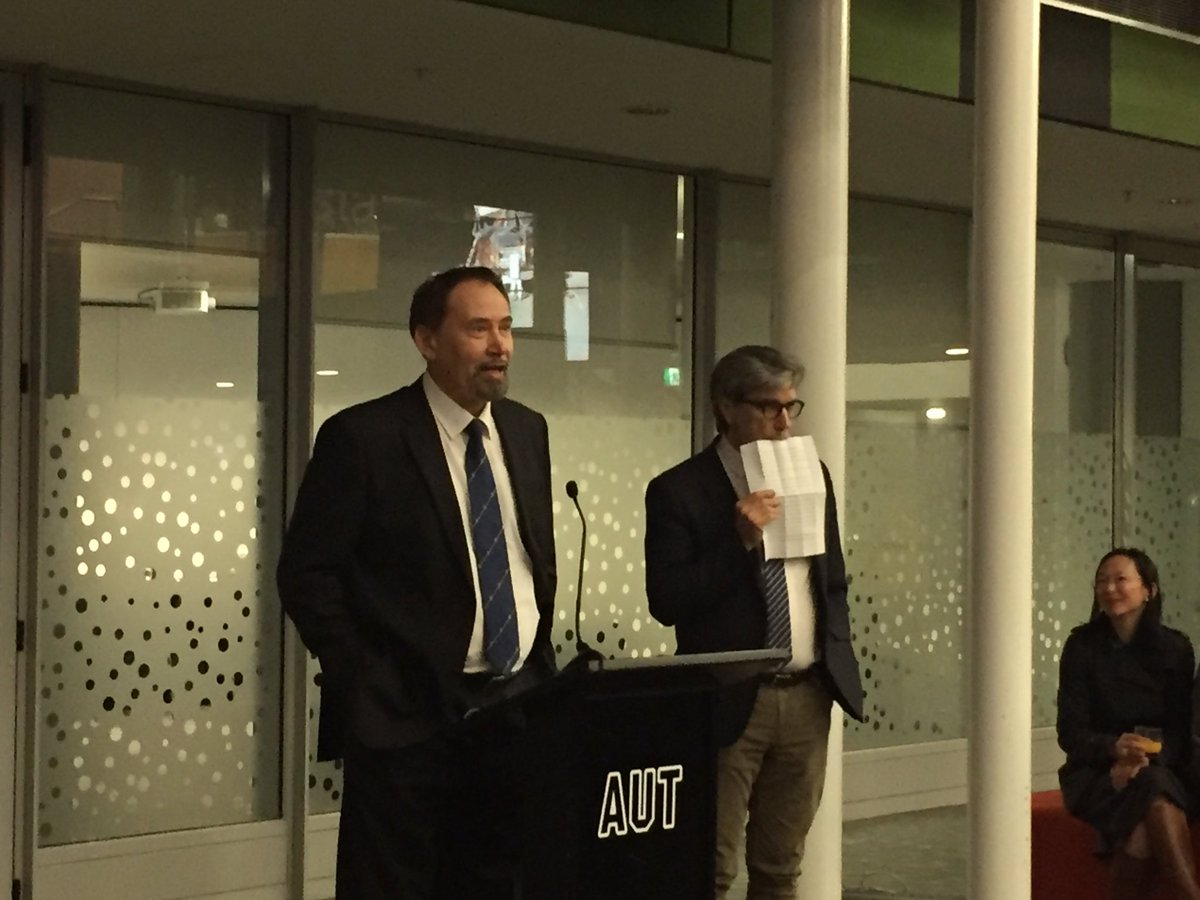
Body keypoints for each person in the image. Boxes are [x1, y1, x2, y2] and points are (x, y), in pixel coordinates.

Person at [276, 265, 557, 899]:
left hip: (514, 709)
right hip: (407, 717)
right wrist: (365, 676)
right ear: (426, 340)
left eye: (507, 327)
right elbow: (307, 573)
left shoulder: (527, 430)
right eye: (478, 328)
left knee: (501, 882)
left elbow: (527, 556)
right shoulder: (364, 437)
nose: (500, 345)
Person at [644, 344, 865, 899]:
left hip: (808, 692)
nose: (784, 422)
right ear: (727, 407)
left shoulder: (810, 473)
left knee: (781, 867)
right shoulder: (681, 490)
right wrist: (738, 541)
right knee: (710, 867)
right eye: (769, 407)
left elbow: (831, 579)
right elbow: (667, 600)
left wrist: (832, 656)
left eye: (792, 407)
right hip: (729, 696)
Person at [1056, 547, 1198, 899]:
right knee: (1154, 798)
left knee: (1144, 817)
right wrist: (1113, 751)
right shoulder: (1081, 647)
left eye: (1121, 579)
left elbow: (1183, 730)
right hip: (1095, 772)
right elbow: (1070, 731)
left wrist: (1148, 759)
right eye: (1102, 581)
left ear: (1149, 589)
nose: (1109, 588)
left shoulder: (1176, 648)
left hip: (1163, 766)